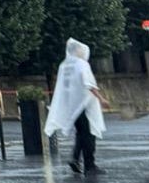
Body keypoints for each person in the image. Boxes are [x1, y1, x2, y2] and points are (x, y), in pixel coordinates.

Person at [44, 37, 111, 174]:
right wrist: (101, 99)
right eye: (81, 49)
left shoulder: (64, 65)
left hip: (72, 106)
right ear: (76, 50)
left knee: (81, 133)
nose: (83, 52)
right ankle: (89, 165)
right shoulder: (81, 64)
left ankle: (75, 158)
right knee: (89, 134)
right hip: (83, 105)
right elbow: (89, 84)